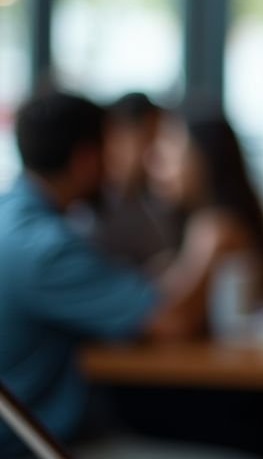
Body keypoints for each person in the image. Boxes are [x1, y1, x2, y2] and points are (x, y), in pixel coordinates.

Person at [0, 91, 247, 457]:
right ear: (85, 159)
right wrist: (206, 251)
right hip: (42, 446)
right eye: (108, 152)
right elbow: (170, 323)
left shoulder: (13, 219)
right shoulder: (47, 249)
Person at [145, 102, 263, 326]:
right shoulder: (215, 222)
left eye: (171, 149)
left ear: (203, 159)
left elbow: (174, 319)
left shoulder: (216, 229)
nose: (156, 164)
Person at [86, 92, 182, 270]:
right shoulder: (91, 206)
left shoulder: (158, 201)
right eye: (149, 139)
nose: (156, 152)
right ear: (117, 135)